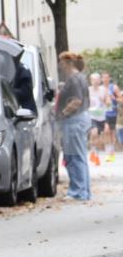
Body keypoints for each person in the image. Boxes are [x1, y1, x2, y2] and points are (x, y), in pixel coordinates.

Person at [56, 52, 91, 200]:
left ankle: (77, 192)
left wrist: (62, 113)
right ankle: (83, 191)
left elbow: (76, 101)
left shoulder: (74, 79)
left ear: (68, 63)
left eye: (61, 62)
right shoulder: (79, 78)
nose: (59, 65)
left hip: (74, 121)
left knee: (74, 157)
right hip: (79, 120)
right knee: (79, 156)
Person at [87, 73, 108, 165]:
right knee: (94, 132)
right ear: (91, 81)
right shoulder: (88, 90)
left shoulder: (104, 90)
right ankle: (94, 154)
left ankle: (94, 152)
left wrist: (104, 100)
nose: (95, 81)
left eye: (97, 80)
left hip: (101, 116)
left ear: (99, 81)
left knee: (98, 138)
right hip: (91, 116)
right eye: (93, 80)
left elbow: (109, 103)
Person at [102, 72, 117, 160]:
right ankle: (108, 152)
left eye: (107, 77)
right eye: (103, 78)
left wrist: (114, 98)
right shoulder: (100, 88)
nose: (105, 79)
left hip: (112, 113)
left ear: (109, 78)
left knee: (112, 133)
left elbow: (121, 99)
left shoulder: (113, 87)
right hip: (103, 113)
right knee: (106, 131)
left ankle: (111, 152)